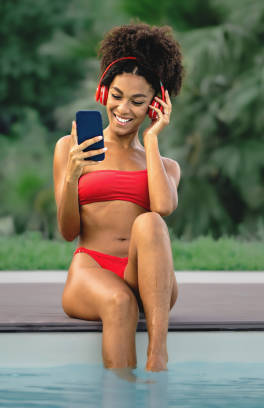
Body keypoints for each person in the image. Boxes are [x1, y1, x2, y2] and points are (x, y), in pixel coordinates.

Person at [53, 23, 184, 372]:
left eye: (137, 101)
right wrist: (71, 177)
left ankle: (157, 356)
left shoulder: (165, 165)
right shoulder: (70, 148)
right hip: (91, 269)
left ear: (155, 106)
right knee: (119, 302)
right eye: (117, 95)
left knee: (150, 221)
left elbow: (164, 207)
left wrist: (153, 140)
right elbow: (67, 231)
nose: (124, 108)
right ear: (103, 92)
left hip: (145, 276)